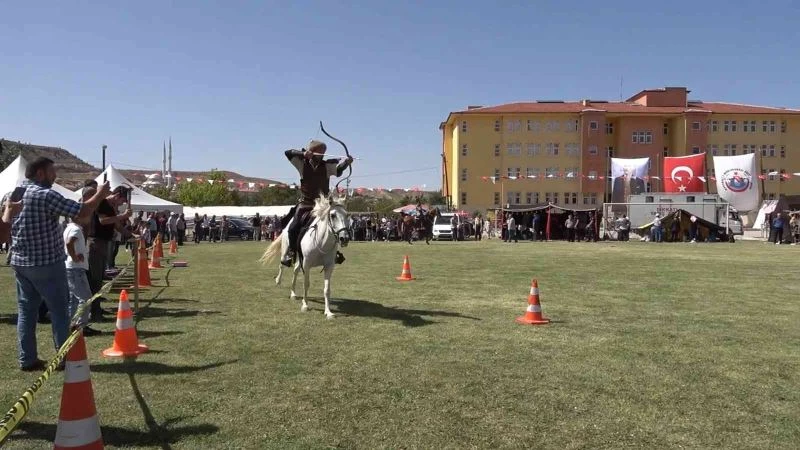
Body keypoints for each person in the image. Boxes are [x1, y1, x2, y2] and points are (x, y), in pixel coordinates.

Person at [8, 157, 109, 371]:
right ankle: (64, 357)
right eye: (52, 172)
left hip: (20, 262)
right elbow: (82, 212)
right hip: (46, 263)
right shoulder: (45, 195)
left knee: (26, 312)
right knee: (60, 311)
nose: (55, 176)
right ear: (40, 173)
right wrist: (100, 194)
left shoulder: (12, 194)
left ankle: (27, 359)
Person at [281, 140, 353, 267]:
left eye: (324, 153)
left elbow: (338, 171)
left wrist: (346, 163)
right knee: (293, 228)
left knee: (333, 226)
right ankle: (291, 253)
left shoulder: (326, 166)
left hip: (322, 205)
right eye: (320, 153)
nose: (323, 155)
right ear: (312, 152)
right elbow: (288, 153)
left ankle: (334, 253)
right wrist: (303, 154)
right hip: (305, 204)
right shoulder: (301, 163)